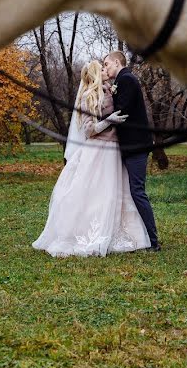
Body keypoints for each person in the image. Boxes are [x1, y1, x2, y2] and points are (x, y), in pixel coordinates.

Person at [32, 60, 151, 257]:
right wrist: (108, 121)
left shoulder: (110, 90)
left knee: (117, 195)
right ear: (96, 74)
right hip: (98, 150)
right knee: (97, 195)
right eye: (102, 68)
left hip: (115, 150)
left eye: (106, 67)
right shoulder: (89, 96)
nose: (106, 70)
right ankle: (91, 235)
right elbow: (88, 130)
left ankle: (120, 234)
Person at [102, 51, 160, 251]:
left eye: (107, 64)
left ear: (117, 62)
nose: (106, 67)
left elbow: (121, 111)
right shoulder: (122, 80)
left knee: (137, 191)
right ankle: (137, 236)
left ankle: (153, 241)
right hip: (129, 145)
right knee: (129, 191)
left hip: (136, 145)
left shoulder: (126, 80)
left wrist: (102, 111)